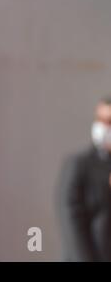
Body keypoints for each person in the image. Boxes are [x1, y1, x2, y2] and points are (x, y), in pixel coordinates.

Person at [57, 96, 111, 261]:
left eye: (109, 121)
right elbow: (72, 225)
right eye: (101, 120)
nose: (104, 127)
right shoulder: (79, 165)